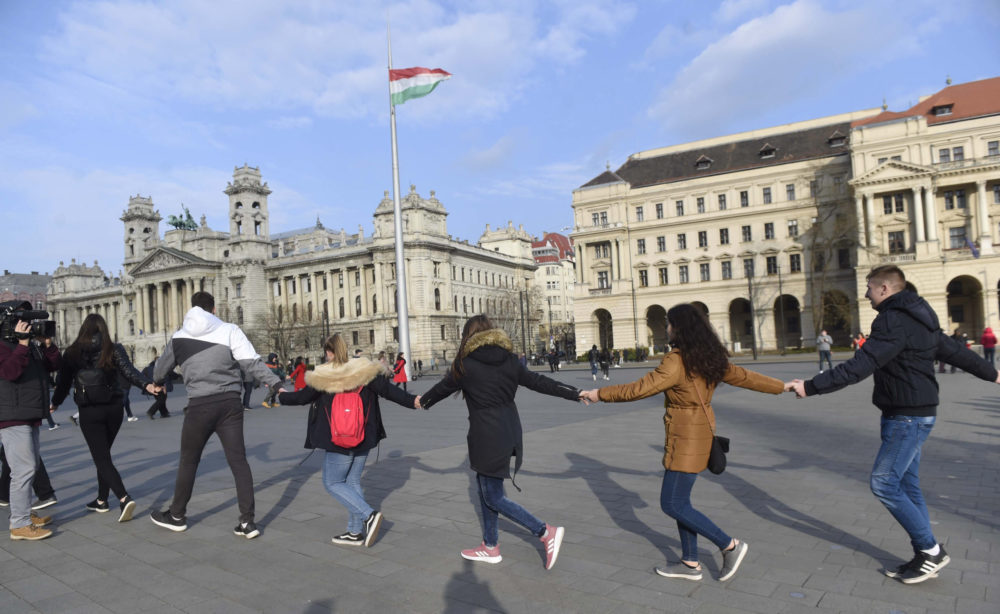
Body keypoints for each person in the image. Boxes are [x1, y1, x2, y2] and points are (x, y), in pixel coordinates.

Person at [785, 265, 1000, 584]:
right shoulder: (920, 317)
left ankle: (931, 551)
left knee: (884, 482)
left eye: (869, 287)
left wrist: (812, 386)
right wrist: (993, 374)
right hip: (912, 411)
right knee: (907, 483)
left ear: (885, 289)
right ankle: (924, 552)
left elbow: (861, 365)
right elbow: (954, 351)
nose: (866, 293)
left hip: (907, 415)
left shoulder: (892, 320)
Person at [580, 303, 783, 582]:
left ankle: (729, 545)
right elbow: (745, 377)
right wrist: (782, 386)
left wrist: (599, 394)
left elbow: (639, 389)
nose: (666, 328)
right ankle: (690, 563)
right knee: (681, 501)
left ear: (679, 328)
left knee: (672, 503)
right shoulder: (707, 357)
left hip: (685, 438)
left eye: (668, 323)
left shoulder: (676, 360)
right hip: (700, 433)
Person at [418, 315, 582, 570]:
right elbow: (540, 383)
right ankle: (490, 545)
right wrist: (575, 393)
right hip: (509, 430)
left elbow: (441, 389)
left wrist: (421, 402)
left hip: (486, 435)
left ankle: (544, 531)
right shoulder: (509, 360)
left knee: (492, 496)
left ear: (468, 336)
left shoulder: (465, 364)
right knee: (487, 490)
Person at [149, 292, 280, 538]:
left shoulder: (179, 336)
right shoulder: (230, 330)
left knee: (189, 461)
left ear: (191, 309)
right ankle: (247, 522)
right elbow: (251, 363)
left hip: (199, 404)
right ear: (214, 310)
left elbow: (160, 369)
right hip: (230, 403)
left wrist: (156, 382)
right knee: (239, 462)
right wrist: (276, 384)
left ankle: (177, 515)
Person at [276, 333, 418, 547]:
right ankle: (354, 532)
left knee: (332, 482)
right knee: (351, 482)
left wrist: (280, 396)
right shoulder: (365, 371)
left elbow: (301, 398)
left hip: (338, 438)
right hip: (364, 436)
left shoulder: (323, 376)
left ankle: (368, 515)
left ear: (329, 352)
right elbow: (390, 392)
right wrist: (415, 401)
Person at [51, 313, 155, 523]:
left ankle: (124, 498)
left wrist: (55, 402)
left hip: (90, 410)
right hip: (114, 409)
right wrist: (147, 385)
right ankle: (101, 500)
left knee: (101, 457)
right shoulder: (113, 349)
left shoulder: (72, 352)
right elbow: (129, 371)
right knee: (104, 453)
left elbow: (62, 383)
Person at [0, 306, 60, 541]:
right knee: (22, 470)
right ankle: (20, 524)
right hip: (13, 416)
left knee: (30, 467)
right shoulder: (4, 346)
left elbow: (53, 366)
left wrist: (46, 344)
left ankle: (23, 513)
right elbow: (10, 372)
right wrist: (23, 345)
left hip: (31, 413)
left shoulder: (28, 345)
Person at [142, 354, 172, 419]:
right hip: (159, 385)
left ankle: (164, 413)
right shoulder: (160, 367)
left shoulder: (147, 368)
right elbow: (163, 377)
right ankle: (151, 411)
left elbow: (142, 375)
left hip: (152, 386)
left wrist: (148, 383)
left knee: (160, 399)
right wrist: (163, 386)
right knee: (161, 399)